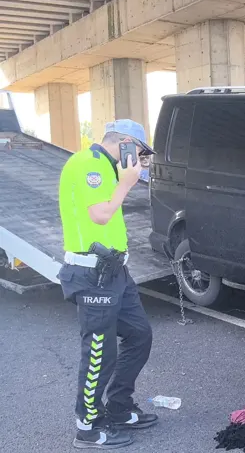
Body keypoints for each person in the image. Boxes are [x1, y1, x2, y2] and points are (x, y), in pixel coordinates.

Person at [58, 119, 157, 449]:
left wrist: (130, 175)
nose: (140, 159)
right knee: (100, 352)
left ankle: (117, 406)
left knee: (139, 334)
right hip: (92, 274)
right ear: (126, 143)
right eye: (139, 151)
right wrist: (127, 182)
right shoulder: (89, 164)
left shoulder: (107, 169)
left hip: (115, 272)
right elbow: (100, 214)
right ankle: (87, 426)